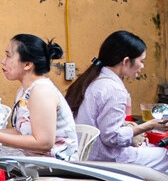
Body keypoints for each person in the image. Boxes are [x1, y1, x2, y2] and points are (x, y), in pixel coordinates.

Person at [0, 35, 79, 161]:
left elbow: (44, 143)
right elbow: (21, 133)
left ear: (28, 64)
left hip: (55, 165)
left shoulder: (41, 92)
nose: (3, 61)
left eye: (8, 56)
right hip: (34, 160)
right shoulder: (25, 91)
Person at [67, 30, 168, 168]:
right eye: (141, 61)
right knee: (164, 156)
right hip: (105, 160)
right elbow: (112, 137)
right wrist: (149, 125)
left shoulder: (93, 81)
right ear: (126, 61)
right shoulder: (113, 90)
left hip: (86, 155)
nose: (142, 66)